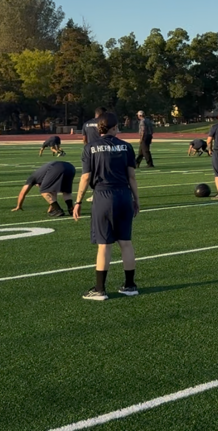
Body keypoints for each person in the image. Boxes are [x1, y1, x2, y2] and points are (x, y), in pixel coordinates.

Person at [72, 112, 140, 300]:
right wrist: (136, 199)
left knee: (104, 245)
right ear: (115, 127)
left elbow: (85, 177)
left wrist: (78, 201)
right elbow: (131, 177)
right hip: (124, 194)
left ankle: (100, 289)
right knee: (125, 243)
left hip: (102, 195)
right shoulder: (126, 147)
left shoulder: (90, 148)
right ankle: (130, 285)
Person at [12, 160, 76, 217]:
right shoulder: (42, 175)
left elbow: (22, 193)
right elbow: (53, 192)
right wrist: (51, 207)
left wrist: (19, 206)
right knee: (66, 190)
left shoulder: (32, 178)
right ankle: (71, 209)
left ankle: (58, 210)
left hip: (55, 168)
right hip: (70, 167)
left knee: (44, 191)